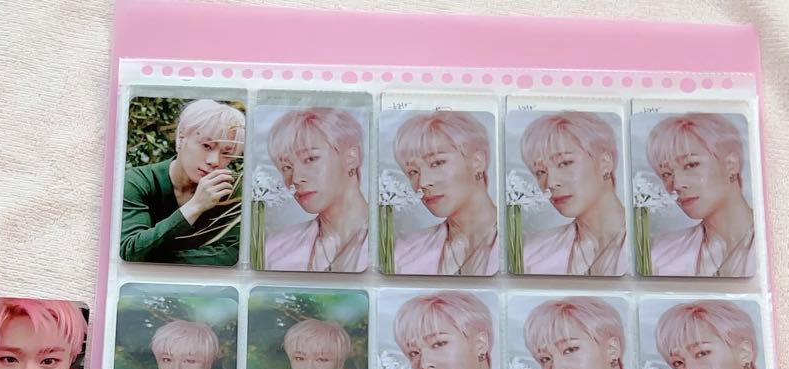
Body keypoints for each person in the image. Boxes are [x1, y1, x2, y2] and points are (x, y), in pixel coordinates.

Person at [120, 97, 245, 265]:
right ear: (181, 137)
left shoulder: (232, 190)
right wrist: (195, 206)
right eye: (206, 146)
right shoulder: (138, 182)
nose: (214, 161)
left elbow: (232, 255)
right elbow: (130, 252)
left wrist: (154, 258)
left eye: (226, 153)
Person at [645, 113, 755, 277]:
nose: (677, 185)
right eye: (666, 174)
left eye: (690, 165)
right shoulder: (662, 254)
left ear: (731, 164)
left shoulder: (778, 242)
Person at [518, 112, 628, 276]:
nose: (551, 183)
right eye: (540, 172)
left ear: (605, 163)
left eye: (565, 163)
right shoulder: (531, 253)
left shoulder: (649, 246)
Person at [391, 111, 499, 275]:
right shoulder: (403, 253)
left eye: (436, 163)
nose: (423, 183)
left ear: (478, 161)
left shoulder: (523, 244)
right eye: (413, 172)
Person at [265, 107, 369, 272]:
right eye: (286, 167)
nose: (296, 178)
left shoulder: (393, 243)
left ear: (351, 157)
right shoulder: (273, 249)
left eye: (310, 159)